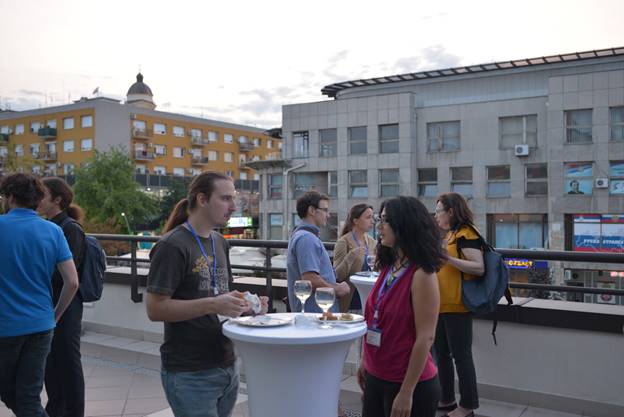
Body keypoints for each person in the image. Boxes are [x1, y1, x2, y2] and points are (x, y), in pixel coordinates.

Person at [145, 172, 268, 417]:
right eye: (225, 199)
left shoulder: (220, 242)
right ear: (202, 199)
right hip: (190, 373)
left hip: (226, 364)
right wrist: (213, 304)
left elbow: (217, 293)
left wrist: (244, 305)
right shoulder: (172, 246)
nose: (233, 207)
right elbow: (155, 309)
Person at [0, 173, 79, 417]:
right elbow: (72, 282)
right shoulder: (53, 231)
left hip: (5, 327)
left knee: (14, 394)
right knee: (28, 396)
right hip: (41, 325)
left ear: (11, 197)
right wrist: (54, 316)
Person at [358, 196, 443, 417]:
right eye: (380, 219)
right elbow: (376, 321)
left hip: (407, 384)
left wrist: (407, 391)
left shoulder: (422, 274)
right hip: (376, 376)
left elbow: (426, 337)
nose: (380, 226)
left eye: (385, 220)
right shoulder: (389, 266)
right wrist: (365, 361)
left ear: (404, 224)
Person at [38, 177, 87, 417]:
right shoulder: (52, 226)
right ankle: (56, 408)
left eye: (43, 194)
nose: (38, 199)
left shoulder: (70, 228)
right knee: (51, 361)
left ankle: (73, 411)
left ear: (57, 199)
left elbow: (69, 275)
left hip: (66, 304)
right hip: (51, 303)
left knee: (68, 361)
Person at [433, 193, 485, 417]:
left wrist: (449, 259)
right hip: (441, 304)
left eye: (439, 211)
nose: (436, 216)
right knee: (440, 354)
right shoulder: (450, 234)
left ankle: (467, 406)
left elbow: (478, 267)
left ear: (451, 212)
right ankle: (446, 399)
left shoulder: (467, 233)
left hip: (458, 305)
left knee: (461, 356)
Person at [287, 191, 350, 314]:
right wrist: (337, 289)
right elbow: (310, 279)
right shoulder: (307, 238)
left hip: (313, 314)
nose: (328, 215)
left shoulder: (302, 235)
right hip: (315, 315)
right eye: (325, 210)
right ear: (312, 210)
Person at [333, 203, 376, 312]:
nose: (372, 221)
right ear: (355, 221)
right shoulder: (343, 242)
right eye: (368, 217)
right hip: (350, 302)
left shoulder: (372, 242)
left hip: (369, 300)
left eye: (372, 217)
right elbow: (337, 275)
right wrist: (351, 256)